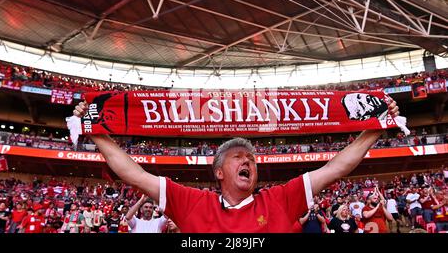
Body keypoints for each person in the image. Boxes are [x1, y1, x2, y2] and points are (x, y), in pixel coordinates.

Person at [73, 99, 400, 232]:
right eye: (238, 157)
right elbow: (133, 174)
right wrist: (94, 131)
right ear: (218, 171)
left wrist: (375, 128)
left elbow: (336, 168)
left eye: (252, 159)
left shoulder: (280, 199)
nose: (248, 161)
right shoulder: (191, 203)